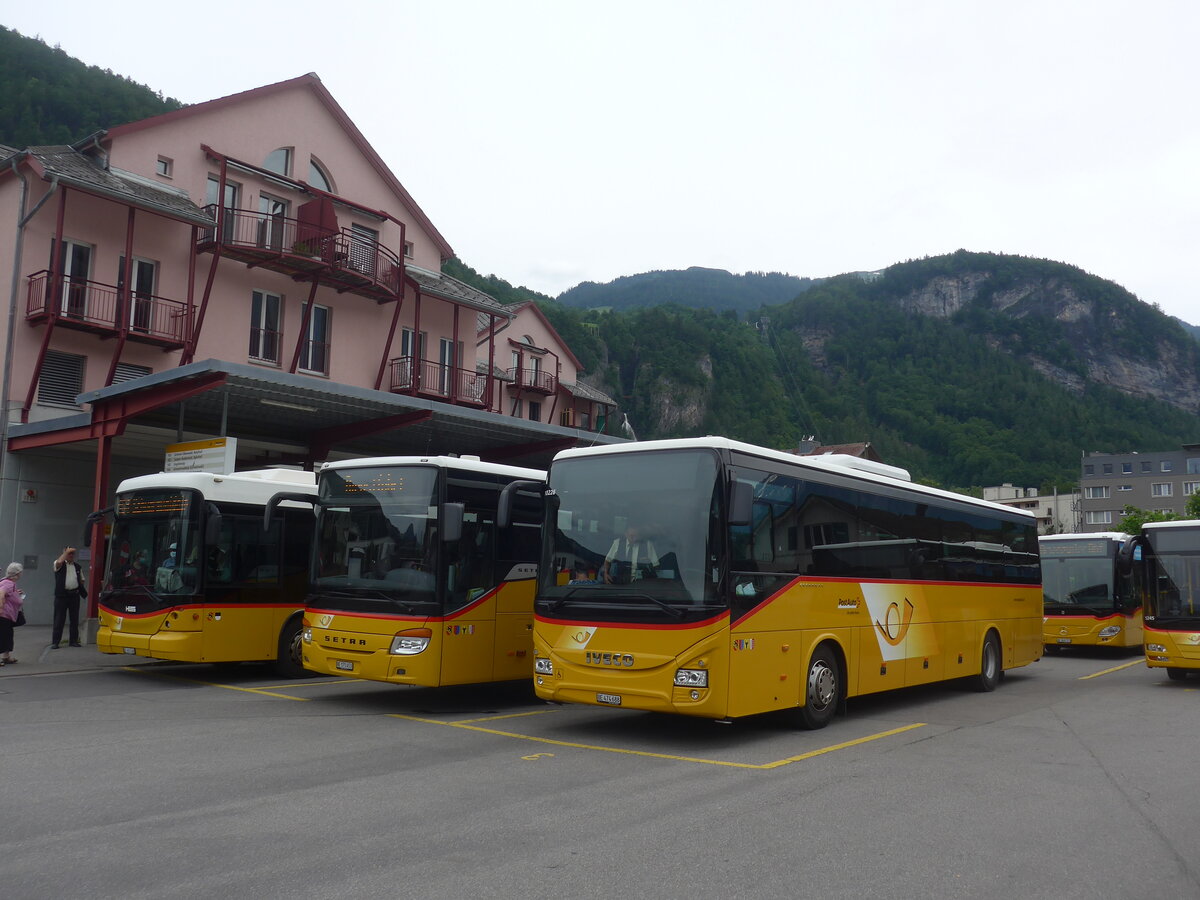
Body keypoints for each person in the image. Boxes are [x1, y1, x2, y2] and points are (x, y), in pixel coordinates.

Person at [52, 546, 88, 649]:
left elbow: (81, 579)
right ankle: (55, 642)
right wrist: (65, 552)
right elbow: (58, 563)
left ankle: (73, 641)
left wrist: (79, 585)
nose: (71, 555)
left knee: (74, 619)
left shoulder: (77, 566)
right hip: (62, 596)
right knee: (59, 619)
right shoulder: (59, 564)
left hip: (74, 595)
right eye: (69, 554)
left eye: (72, 554)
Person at [0, 562, 25, 665]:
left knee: (8, 636)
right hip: (3, 615)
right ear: (17, 573)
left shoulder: (9, 583)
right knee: (3, 636)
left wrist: (16, 594)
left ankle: (6, 657)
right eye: (21, 572)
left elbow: (7, 594)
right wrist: (0, 608)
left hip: (7, 616)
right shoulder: (8, 583)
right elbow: (1, 594)